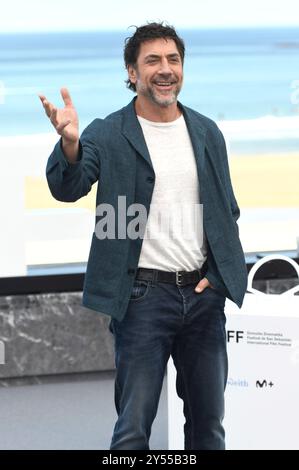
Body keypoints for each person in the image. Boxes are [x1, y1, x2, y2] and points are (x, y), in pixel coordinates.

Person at [39, 22, 247, 450]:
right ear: (132, 73)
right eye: (152, 60)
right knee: (132, 431)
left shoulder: (207, 131)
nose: (165, 69)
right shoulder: (108, 132)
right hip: (141, 301)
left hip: (203, 299)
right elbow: (68, 186)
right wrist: (70, 146)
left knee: (209, 430)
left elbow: (228, 210)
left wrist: (222, 278)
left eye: (173, 59)